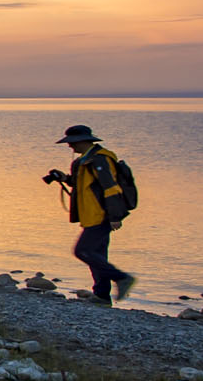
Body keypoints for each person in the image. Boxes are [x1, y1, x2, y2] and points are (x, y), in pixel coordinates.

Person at [44, 124, 135, 305]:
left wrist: (115, 216)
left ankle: (122, 278)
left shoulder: (100, 160)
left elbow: (111, 188)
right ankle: (101, 296)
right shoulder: (82, 161)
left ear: (83, 141)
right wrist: (64, 178)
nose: (70, 146)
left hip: (101, 215)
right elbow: (82, 186)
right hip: (90, 215)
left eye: (72, 142)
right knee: (97, 254)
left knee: (83, 251)